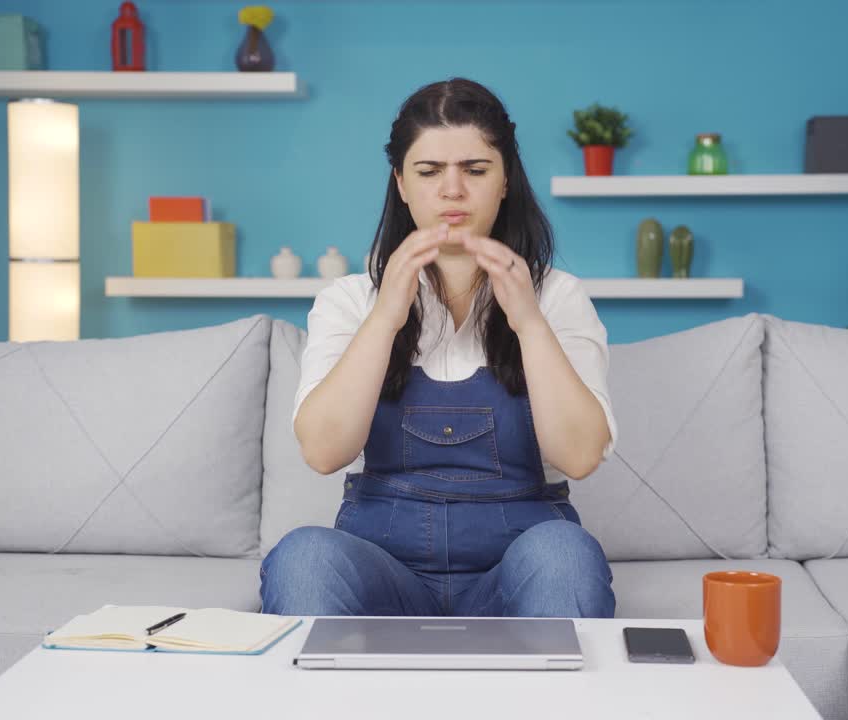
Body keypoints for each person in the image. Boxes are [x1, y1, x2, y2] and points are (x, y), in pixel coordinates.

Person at [260, 78, 618, 618]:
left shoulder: (558, 298)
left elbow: (580, 456)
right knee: (303, 556)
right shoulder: (350, 301)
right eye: (429, 172)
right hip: (384, 569)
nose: (453, 190)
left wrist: (529, 323)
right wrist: (385, 318)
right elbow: (323, 452)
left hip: (515, 570)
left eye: (475, 170)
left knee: (567, 554)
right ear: (401, 183)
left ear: (504, 182)